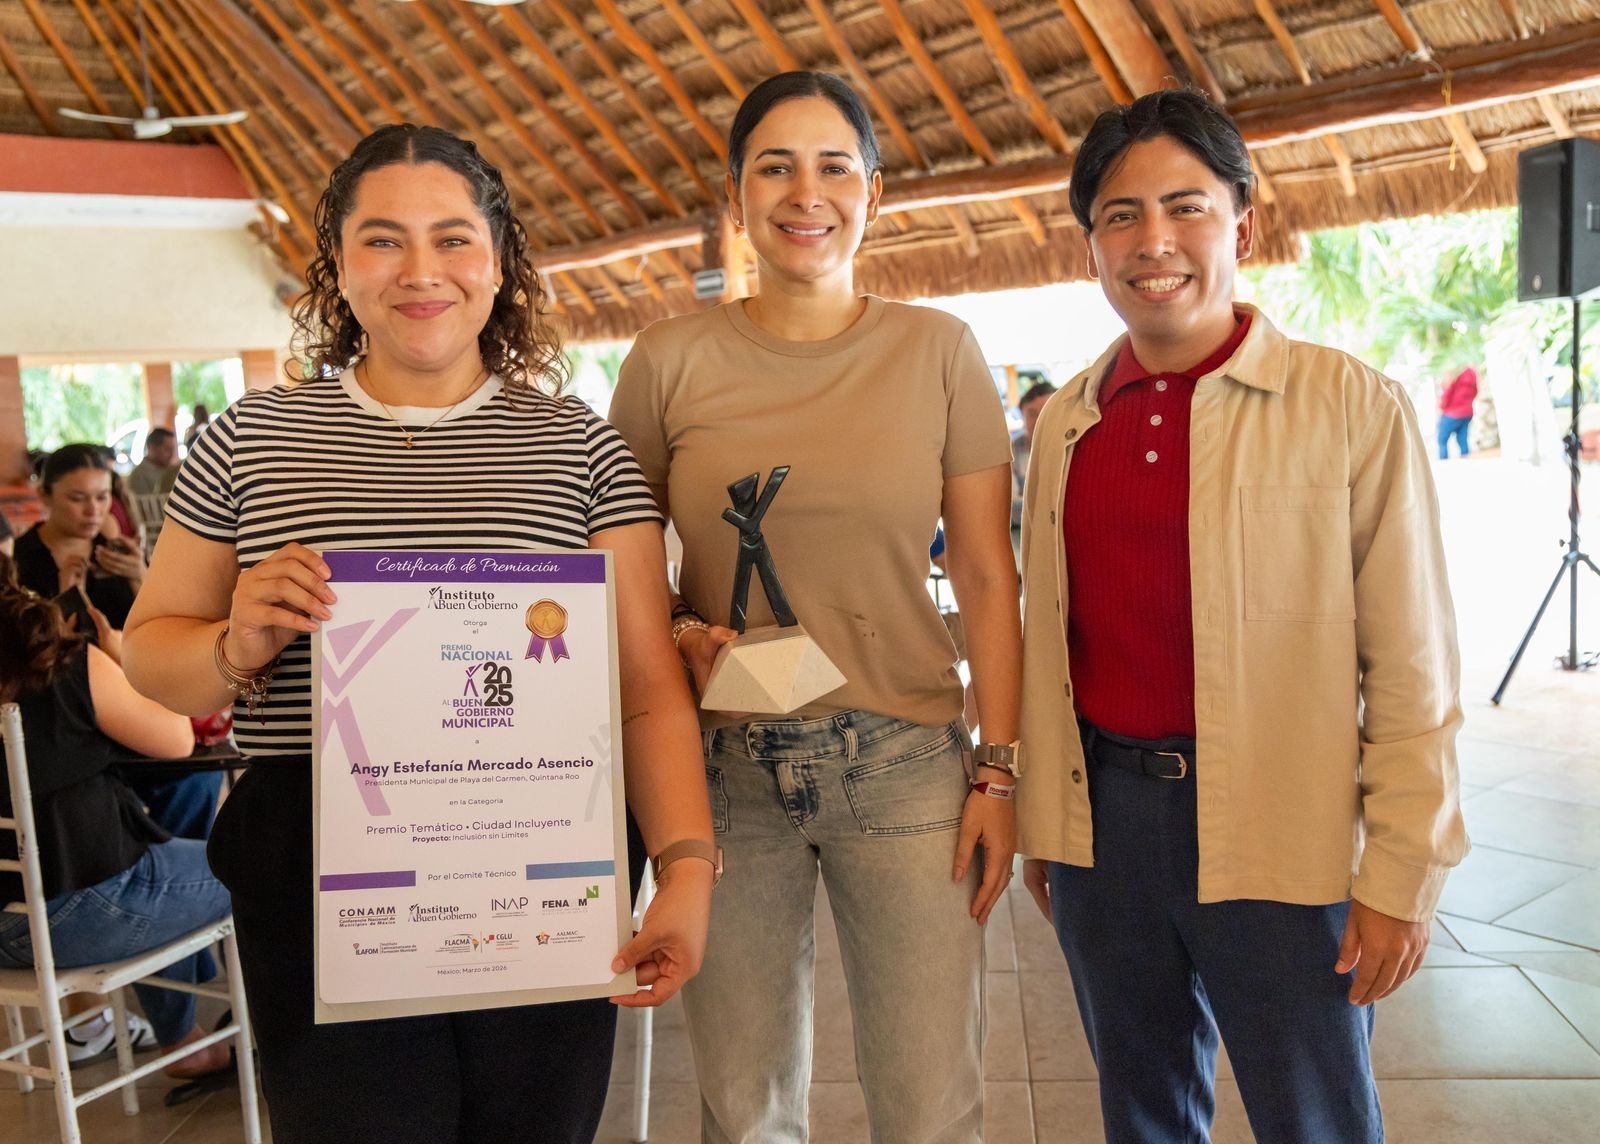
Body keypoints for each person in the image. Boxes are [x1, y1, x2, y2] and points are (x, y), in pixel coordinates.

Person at [122, 123, 713, 1143]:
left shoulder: (576, 446)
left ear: (498, 259)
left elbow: (645, 687)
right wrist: (234, 641)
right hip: (317, 862)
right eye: (383, 240)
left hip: (537, 844)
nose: (420, 270)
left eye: (451, 238)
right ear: (339, 267)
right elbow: (149, 659)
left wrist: (687, 869)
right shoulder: (252, 437)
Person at [1015, 88, 1469, 1144]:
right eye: (1120, 215)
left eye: (1187, 206)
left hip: (1282, 827)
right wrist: (1050, 811)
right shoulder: (1068, 423)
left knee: (1313, 1116)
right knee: (1143, 1111)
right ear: (1090, 245)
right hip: (1105, 837)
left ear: (1243, 225)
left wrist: (1404, 867)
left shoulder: (1347, 404)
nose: (1153, 240)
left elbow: (1413, 662)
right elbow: (1051, 640)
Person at [609, 71, 1021, 1144]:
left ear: (873, 193)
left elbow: (984, 576)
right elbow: (617, 570)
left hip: (904, 766)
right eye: (775, 167)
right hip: (721, 775)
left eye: (835, 165)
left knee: (931, 1108)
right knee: (742, 1112)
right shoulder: (665, 360)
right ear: (736, 196)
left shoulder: (938, 351)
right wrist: (682, 630)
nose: (807, 191)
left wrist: (999, 766)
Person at [0, 560, 234, 1088]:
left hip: (8, 922)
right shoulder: (57, 662)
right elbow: (178, 738)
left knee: (154, 850)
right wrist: (122, 658)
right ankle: (284, 1045)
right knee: (260, 863)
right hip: (77, 915)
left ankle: (182, 1034)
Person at [13, 444, 220, 841]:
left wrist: (140, 576)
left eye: (102, 497)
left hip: (137, 695)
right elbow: (42, 656)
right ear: (44, 496)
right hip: (70, 713)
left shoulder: (115, 552)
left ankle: (170, 862)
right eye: (77, 499)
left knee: (196, 777)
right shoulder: (24, 561)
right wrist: (65, 596)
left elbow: (167, 625)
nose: (93, 510)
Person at [1012, 380, 1056, 530]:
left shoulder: (1075, 449)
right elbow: (1008, 506)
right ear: (1022, 417)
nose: (1039, 420)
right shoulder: (1011, 451)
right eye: (1032, 414)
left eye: (1046, 411)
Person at [1438, 365, 1478, 459]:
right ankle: (1466, 461)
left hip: (1452, 413)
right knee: (1462, 439)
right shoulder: (1472, 376)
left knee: (1442, 440)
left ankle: (1443, 464)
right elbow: (1475, 392)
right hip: (1467, 413)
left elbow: (1447, 396)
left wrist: (1441, 408)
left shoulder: (1455, 378)